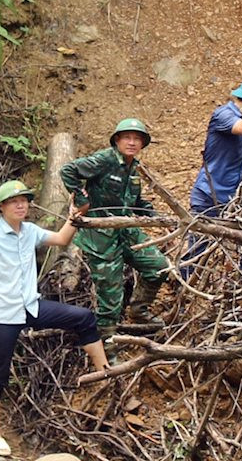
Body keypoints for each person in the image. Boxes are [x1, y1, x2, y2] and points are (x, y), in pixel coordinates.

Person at [0, 180, 105, 456]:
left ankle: (105, 375)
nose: (20, 205)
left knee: (84, 318)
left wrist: (76, 215)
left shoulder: (30, 231)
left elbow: (62, 240)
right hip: (2, 315)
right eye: (14, 201)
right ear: (2, 207)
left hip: (31, 307)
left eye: (24, 201)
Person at [61, 118, 172, 337]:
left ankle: (139, 311)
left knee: (159, 267)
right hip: (100, 237)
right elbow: (68, 170)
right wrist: (82, 200)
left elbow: (135, 201)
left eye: (137, 139)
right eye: (127, 138)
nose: (132, 142)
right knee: (110, 296)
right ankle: (107, 343)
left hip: (125, 230)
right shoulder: (104, 159)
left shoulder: (134, 167)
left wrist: (156, 216)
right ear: (117, 140)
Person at [186, 78, 242, 279]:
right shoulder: (224, 114)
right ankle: (184, 283)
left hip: (235, 197)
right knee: (198, 248)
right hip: (209, 194)